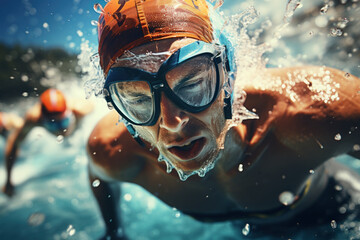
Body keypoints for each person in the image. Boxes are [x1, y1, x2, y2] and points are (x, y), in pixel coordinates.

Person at [86, 0, 360, 239]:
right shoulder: (112, 151)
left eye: (191, 83)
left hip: (334, 207)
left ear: (228, 78)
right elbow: (98, 176)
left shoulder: (312, 111)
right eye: (137, 99)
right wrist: (114, 232)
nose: (172, 121)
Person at [2, 88, 94, 196]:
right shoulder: (34, 118)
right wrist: (8, 180)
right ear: (43, 120)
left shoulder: (80, 110)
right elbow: (13, 144)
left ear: (69, 113)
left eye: (64, 122)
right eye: (53, 124)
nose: (60, 131)